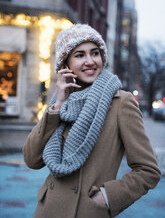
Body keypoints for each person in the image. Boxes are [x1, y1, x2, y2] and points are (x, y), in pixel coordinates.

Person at [23, 24, 161, 218]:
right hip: (48, 211)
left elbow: (148, 170)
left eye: (94, 53)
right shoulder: (60, 102)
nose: (89, 61)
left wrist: (106, 197)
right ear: (65, 65)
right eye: (79, 55)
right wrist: (57, 106)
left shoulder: (121, 102)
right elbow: (31, 159)